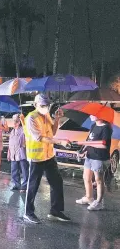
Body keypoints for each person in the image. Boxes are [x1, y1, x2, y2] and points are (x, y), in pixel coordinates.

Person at [24, 94, 71, 224]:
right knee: (33, 185)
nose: (45, 108)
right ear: (35, 105)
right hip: (36, 158)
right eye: (43, 105)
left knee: (57, 182)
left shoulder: (46, 116)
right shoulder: (31, 118)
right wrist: (60, 142)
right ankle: (28, 212)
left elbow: (53, 132)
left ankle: (55, 211)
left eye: (47, 105)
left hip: (49, 156)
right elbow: (40, 138)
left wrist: (57, 119)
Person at [76, 116, 112, 211]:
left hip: (99, 157)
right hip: (90, 156)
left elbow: (104, 145)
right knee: (86, 177)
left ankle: (99, 202)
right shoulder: (93, 125)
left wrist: (90, 143)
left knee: (98, 180)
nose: (91, 115)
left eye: (93, 114)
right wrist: (83, 150)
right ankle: (89, 197)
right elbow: (89, 140)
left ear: (101, 115)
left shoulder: (106, 128)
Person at [8, 113, 28, 193]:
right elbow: (10, 143)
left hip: (21, 153)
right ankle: (17, 185)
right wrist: (9, 153)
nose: (13, 122)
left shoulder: (23, 130)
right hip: (13, 154)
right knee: (14, 170)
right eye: (13, 121)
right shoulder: (12, 131)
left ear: (18, 122)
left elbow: (27, 136)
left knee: (24, 170)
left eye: (14, 121)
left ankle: (25, 186)